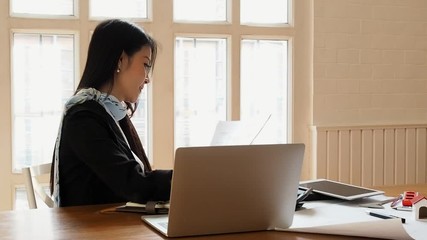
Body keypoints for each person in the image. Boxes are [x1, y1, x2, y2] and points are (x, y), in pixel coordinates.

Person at [50, 19, 172, 207]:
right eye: (146, 64)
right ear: (121, 60)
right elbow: (134, 184)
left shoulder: (111, 112)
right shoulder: (83, 117)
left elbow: (139, 179)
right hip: (92, 231)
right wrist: (190, 178)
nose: (147, 79)